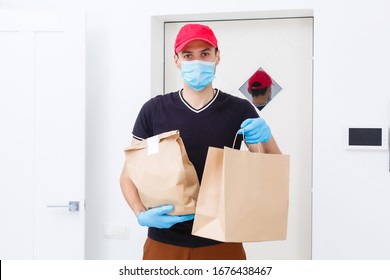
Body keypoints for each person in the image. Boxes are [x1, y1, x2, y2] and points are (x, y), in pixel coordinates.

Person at [120, 23, 281, 260]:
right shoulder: (154, 110)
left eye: (205, 54)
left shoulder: (239, 109)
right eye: (188, 55)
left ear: (217, 57)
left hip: (224, 242)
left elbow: (272, 171)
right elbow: (127, 175)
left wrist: (266, 139)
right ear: (176, 60)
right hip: (164, 243)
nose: (197, 62)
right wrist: (140, 213)